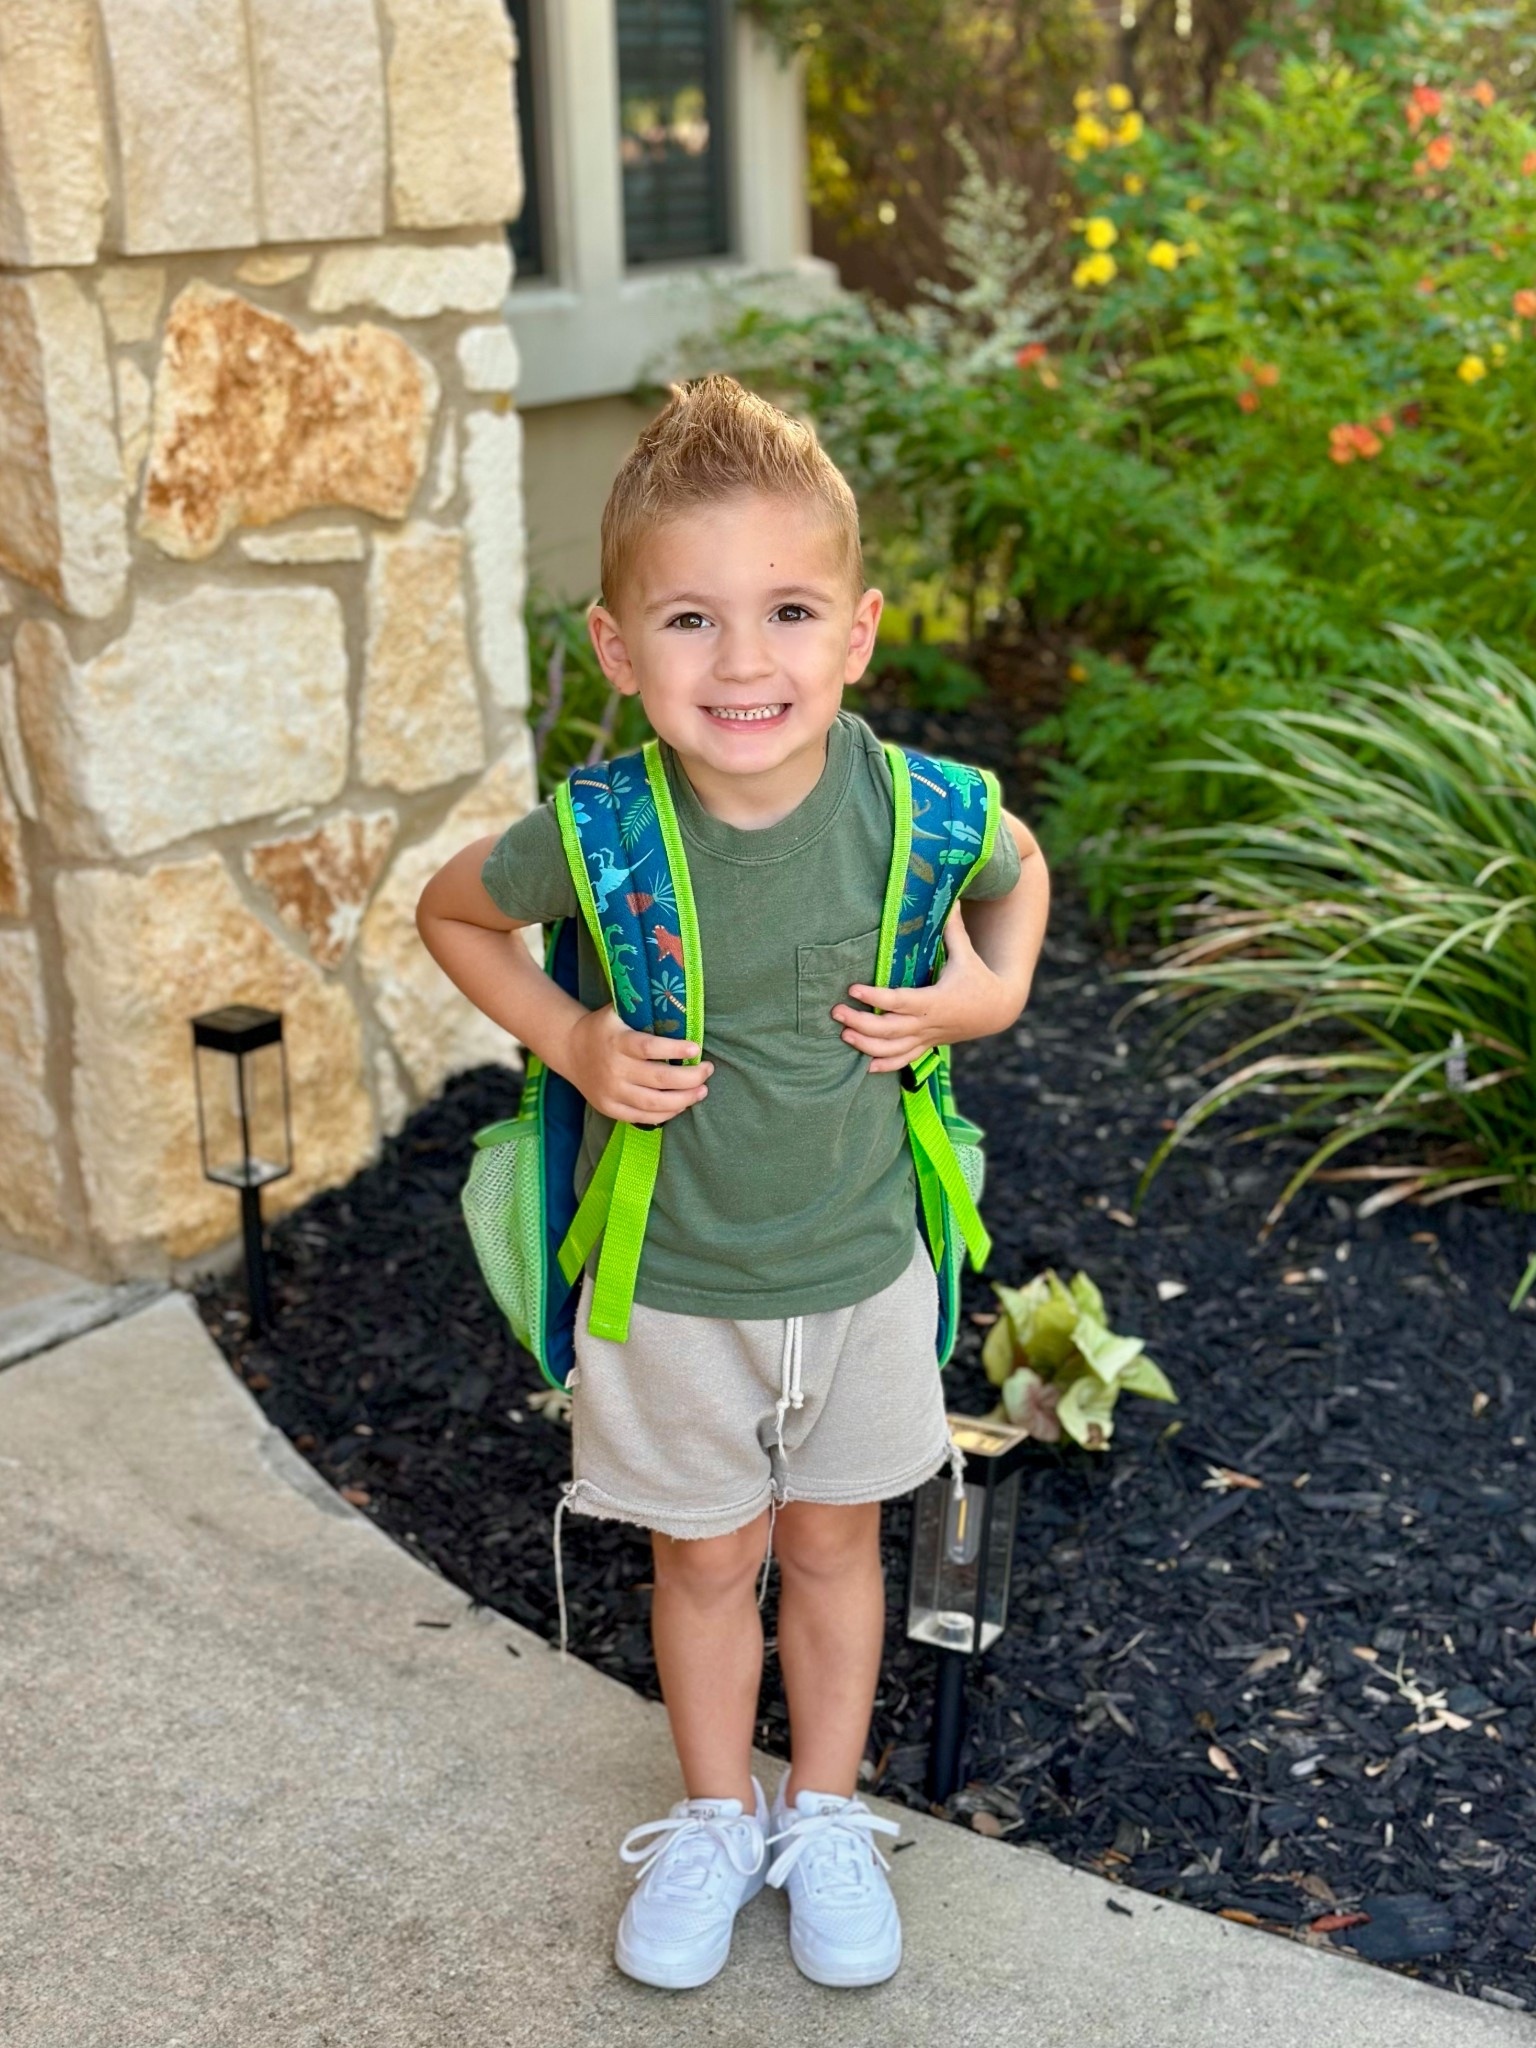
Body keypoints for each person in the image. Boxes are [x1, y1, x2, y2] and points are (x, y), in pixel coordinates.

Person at [415, 374, 1049, 1992]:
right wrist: (572, 1038)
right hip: (671, 1292)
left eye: (789, 612)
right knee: (703, 1561)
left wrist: (983, 998)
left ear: (859, 633)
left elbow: (1020, 870)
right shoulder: (603, 835)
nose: (745, 662)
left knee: (835, 1552)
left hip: (864, 1275)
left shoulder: (917, 812)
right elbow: (452, 911)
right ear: (618, 648)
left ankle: (822, 1814)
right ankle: (716, 1813)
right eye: (690, 619)